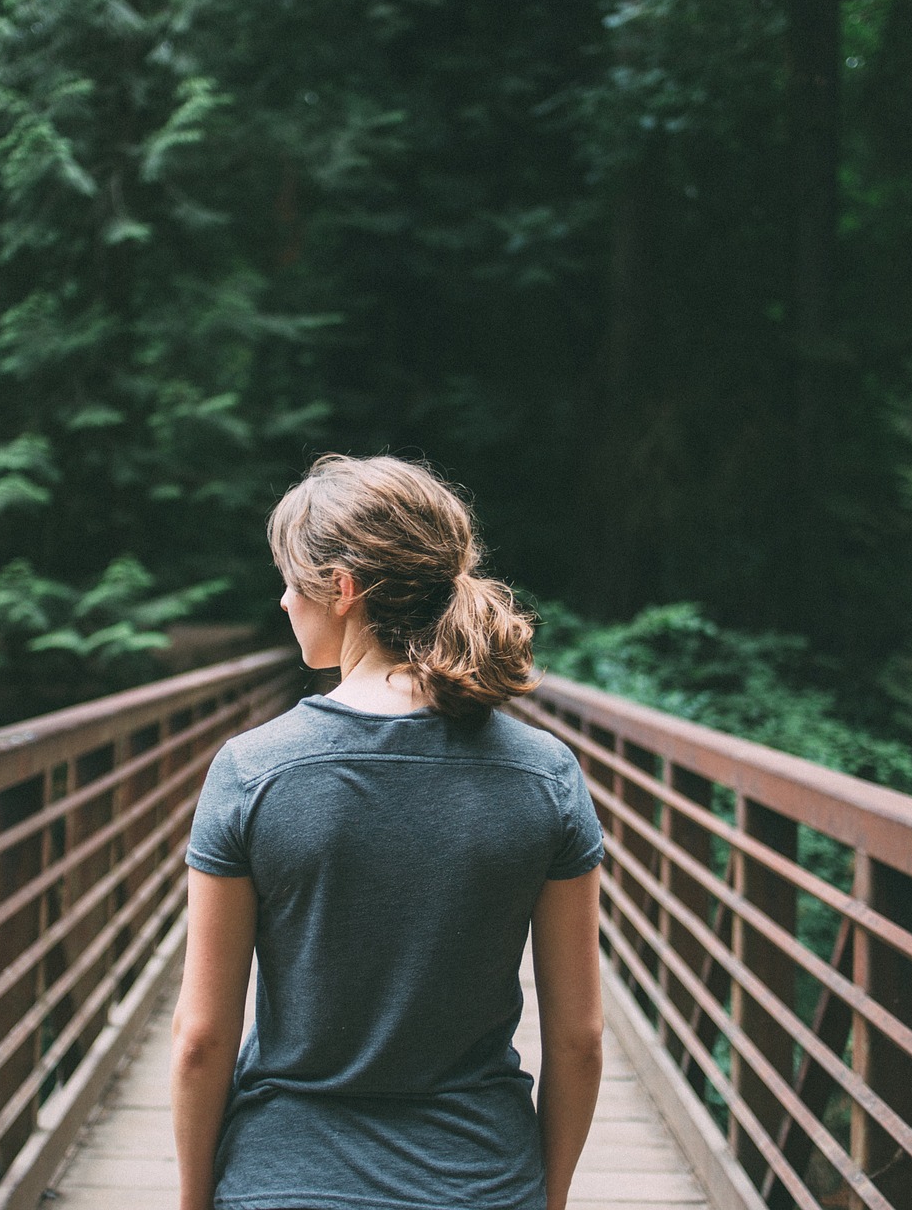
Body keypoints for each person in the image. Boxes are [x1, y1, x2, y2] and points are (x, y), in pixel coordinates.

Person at [170, 454, 606, 1210]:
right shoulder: (545, 776)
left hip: (286, 1182)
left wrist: (190, 1201)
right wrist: (547, 1197)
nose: (281, 601)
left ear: (340, 589)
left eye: (289, 580)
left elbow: (202, 1038)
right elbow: (580, 1040)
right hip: (481, 1181)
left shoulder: (253, 771)